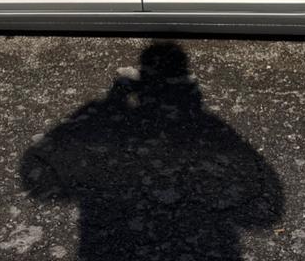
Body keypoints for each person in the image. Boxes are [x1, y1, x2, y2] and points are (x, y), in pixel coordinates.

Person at [20, 41, 284, 260]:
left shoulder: (197, 125)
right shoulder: (208, 124)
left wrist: (112, 105)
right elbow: (266, 212)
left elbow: (35, 177)